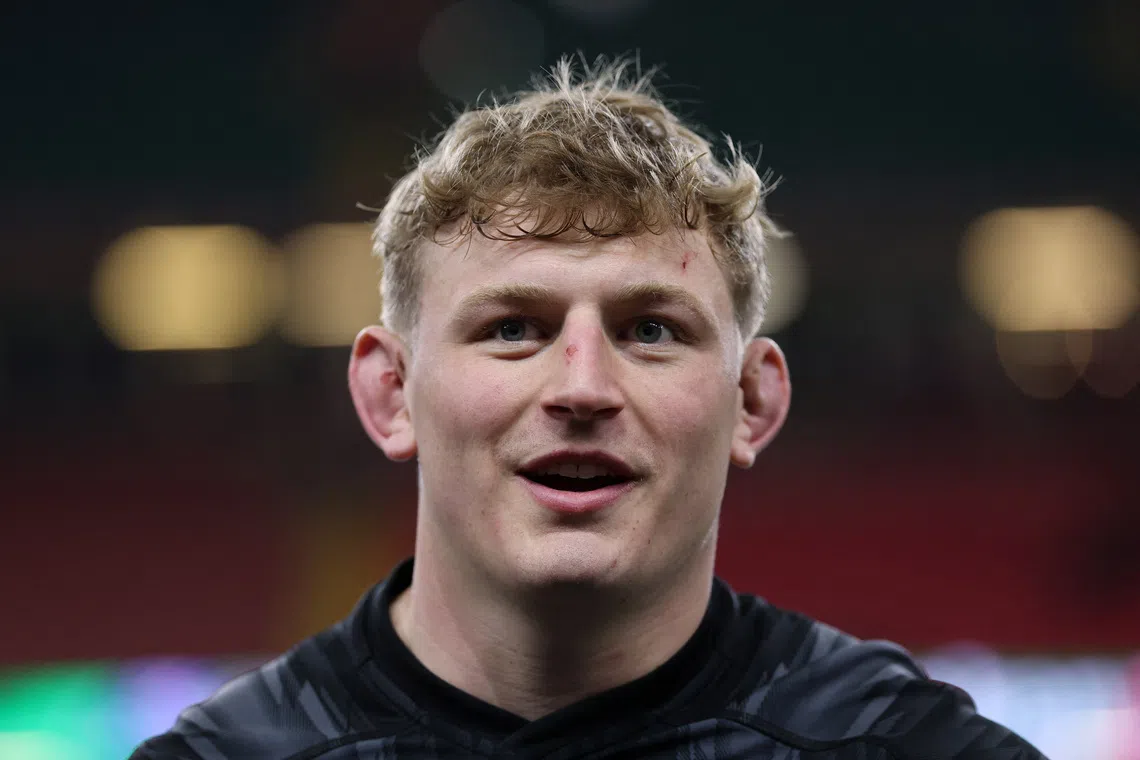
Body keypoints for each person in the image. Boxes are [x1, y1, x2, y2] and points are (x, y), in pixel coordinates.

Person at [130, 58, 1047, 759]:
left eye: (651, 330)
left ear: (753, 400)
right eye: (512, 329)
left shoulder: (898, 744)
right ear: (390, 392)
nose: (581, 388)